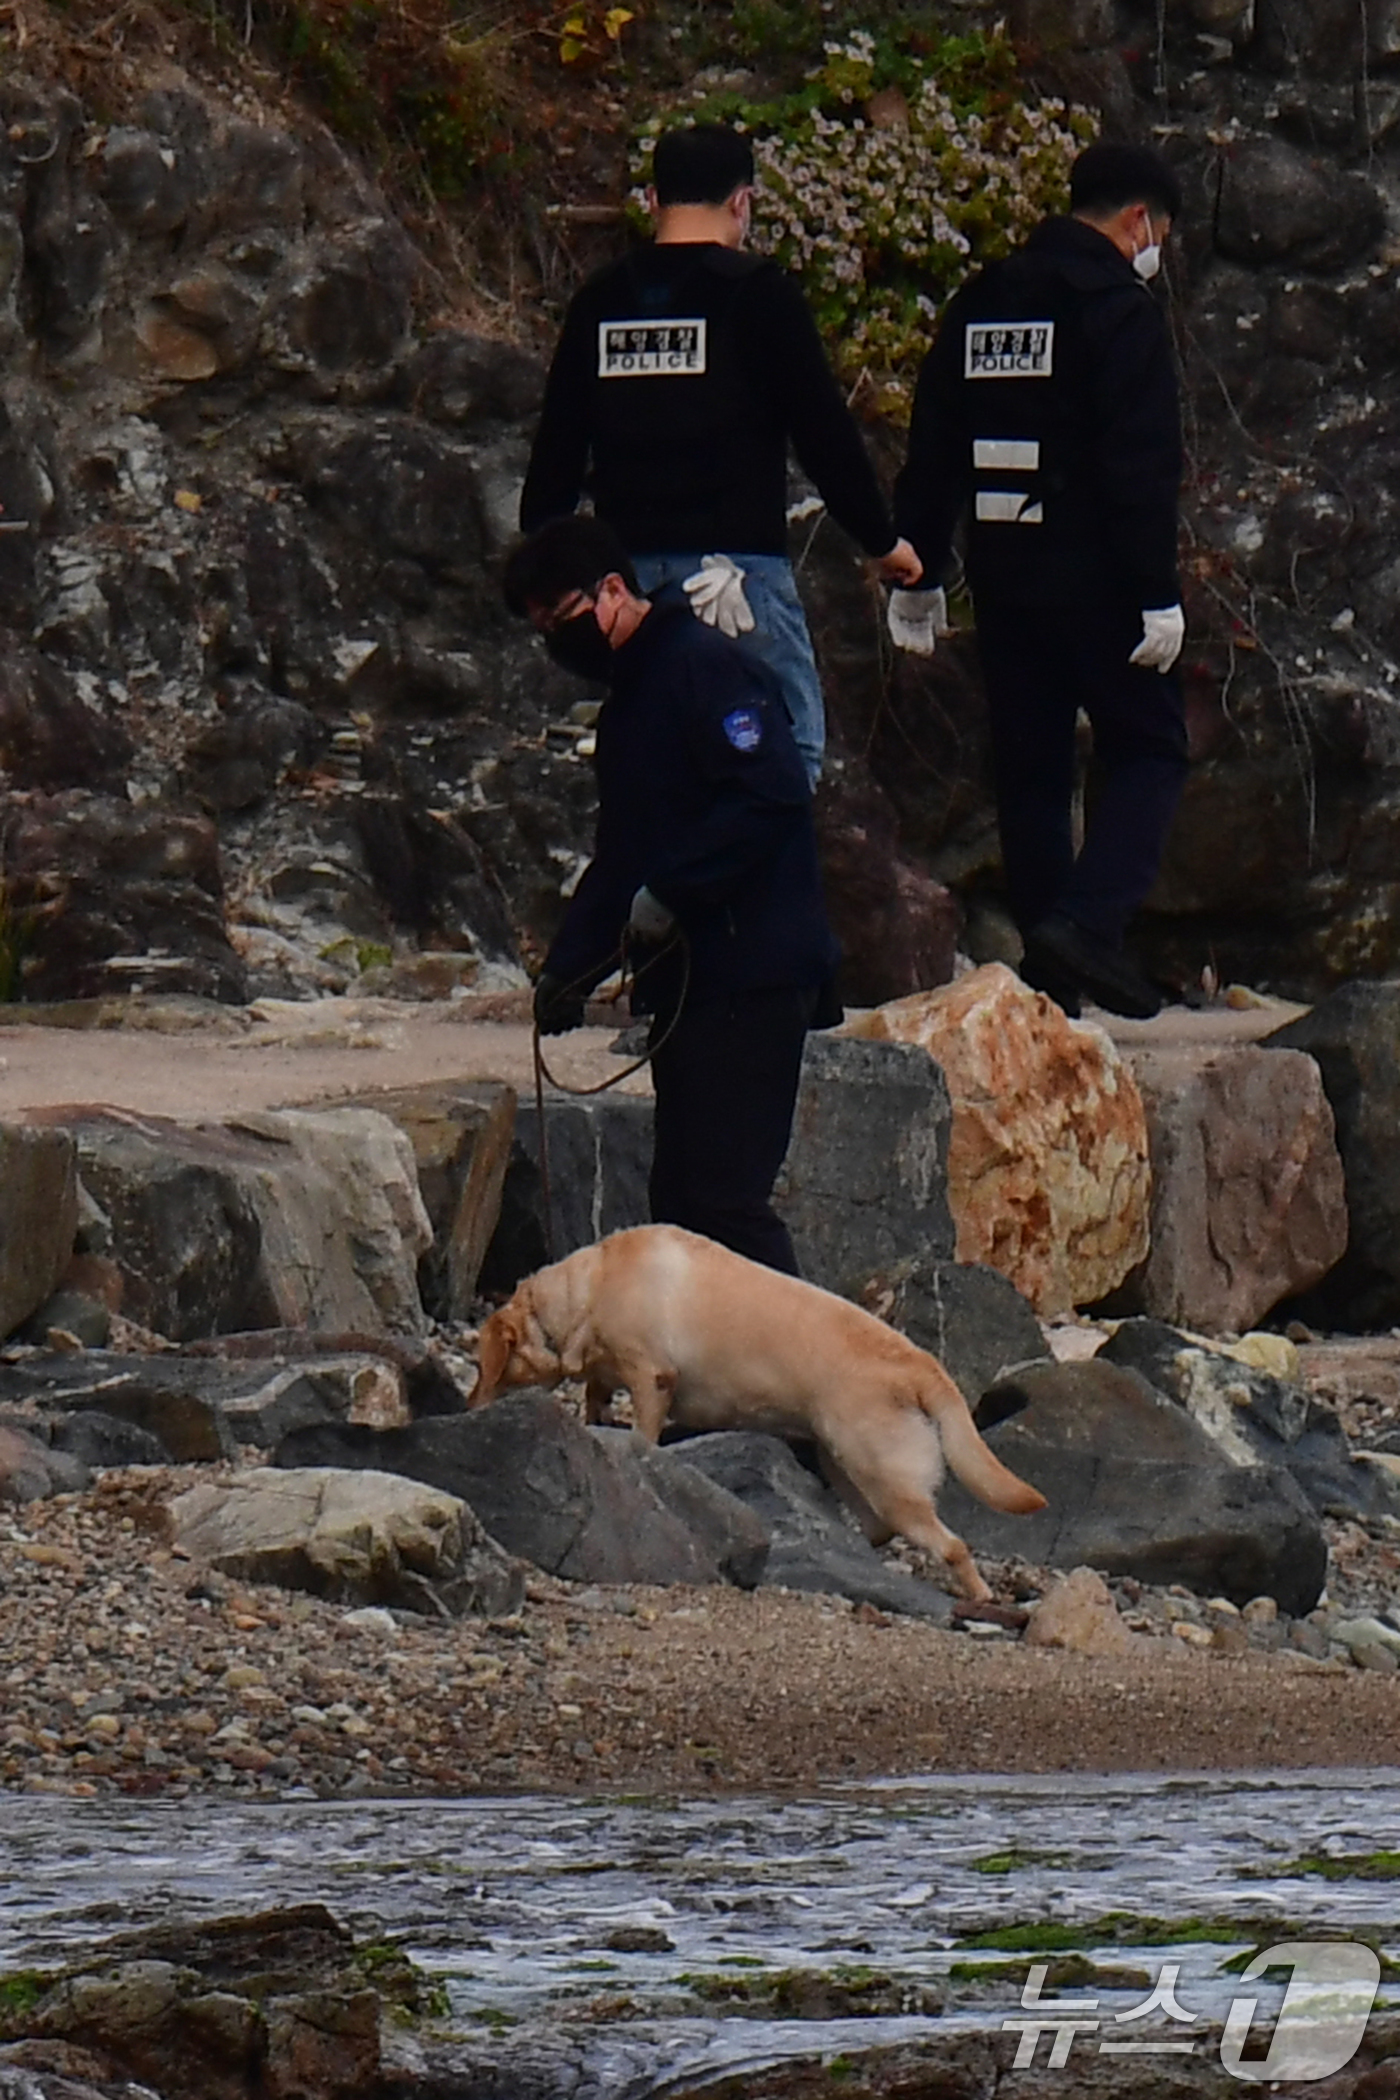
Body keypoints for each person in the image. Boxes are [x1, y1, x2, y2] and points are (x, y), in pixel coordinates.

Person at [519, 122, 923, 786]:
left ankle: (665, 889)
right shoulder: (757, 292)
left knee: (651, 773)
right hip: (736, 579)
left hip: (625, 587)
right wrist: (881, 541)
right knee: (785, 762)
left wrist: (551, 569)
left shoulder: (602, 301)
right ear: (743, 202)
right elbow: (824, 434)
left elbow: (556, 453)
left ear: (652, 200)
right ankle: (750, 892)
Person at [891, 141, 1189, 1019]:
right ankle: (1087, 928)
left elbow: (935, 441)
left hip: (1004, 572)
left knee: (1030, 766)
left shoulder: (984, 302)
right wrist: (1156, 591)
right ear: (1139, 220)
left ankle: (1050, 978)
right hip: (1098, 579)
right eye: (1159, 233)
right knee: (1150, 745)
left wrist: (919, 564)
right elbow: (1139, 466)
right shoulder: (1117, 311)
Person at [503, 514, 838, 1276]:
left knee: (727, 1200)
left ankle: (801, 1375)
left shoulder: (704, 667)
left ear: (612, 590)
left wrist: (674, 891)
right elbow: (624, 851)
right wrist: (570, 969)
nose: (557, 643)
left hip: (751, 972)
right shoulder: (633, 695)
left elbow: (771, 795)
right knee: (683, 1201)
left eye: (561, 620)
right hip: (694, 981)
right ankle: (713, 1387)